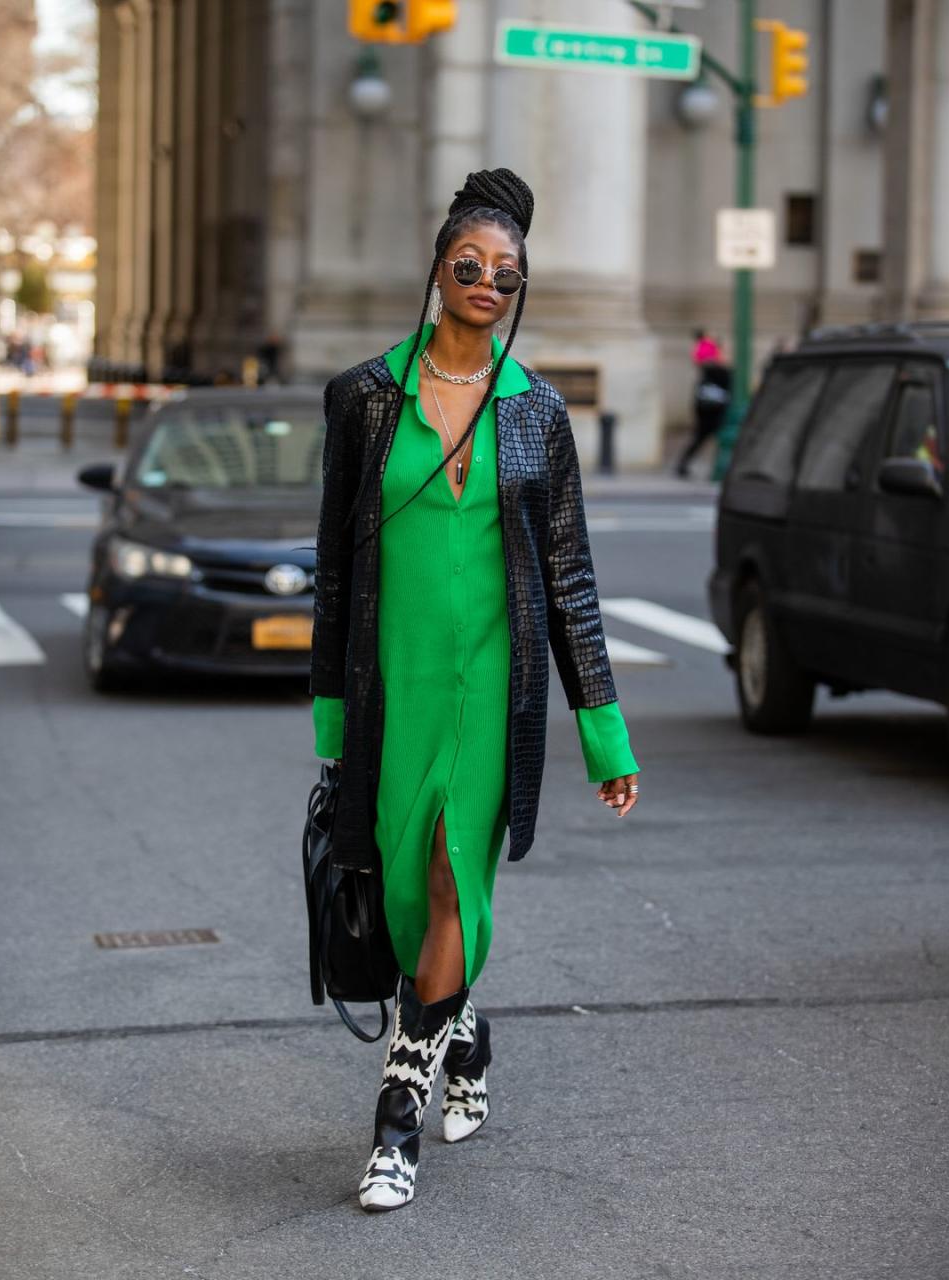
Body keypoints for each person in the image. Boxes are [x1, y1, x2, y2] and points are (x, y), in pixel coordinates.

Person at [309, 168, 641, 1213]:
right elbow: (334, 569)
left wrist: (607, 735)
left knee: (454, 883)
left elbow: (572, 580)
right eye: (472, 265)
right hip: (392, 696)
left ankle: (395, 1120)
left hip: (496, 701)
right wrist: (329, 717)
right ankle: (464, 1029)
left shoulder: (539, 414)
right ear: (438, 270)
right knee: (407, 902)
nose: (489, 282)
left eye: (508, 272)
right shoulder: (365, 399)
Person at [675, 356, 732, 478]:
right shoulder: (723, 377)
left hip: (707, 417)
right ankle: (719, 468)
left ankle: (682, 465)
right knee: (716, 443)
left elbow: (697, 401)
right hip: (716, 416)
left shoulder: (707, 378)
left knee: (699, 442)